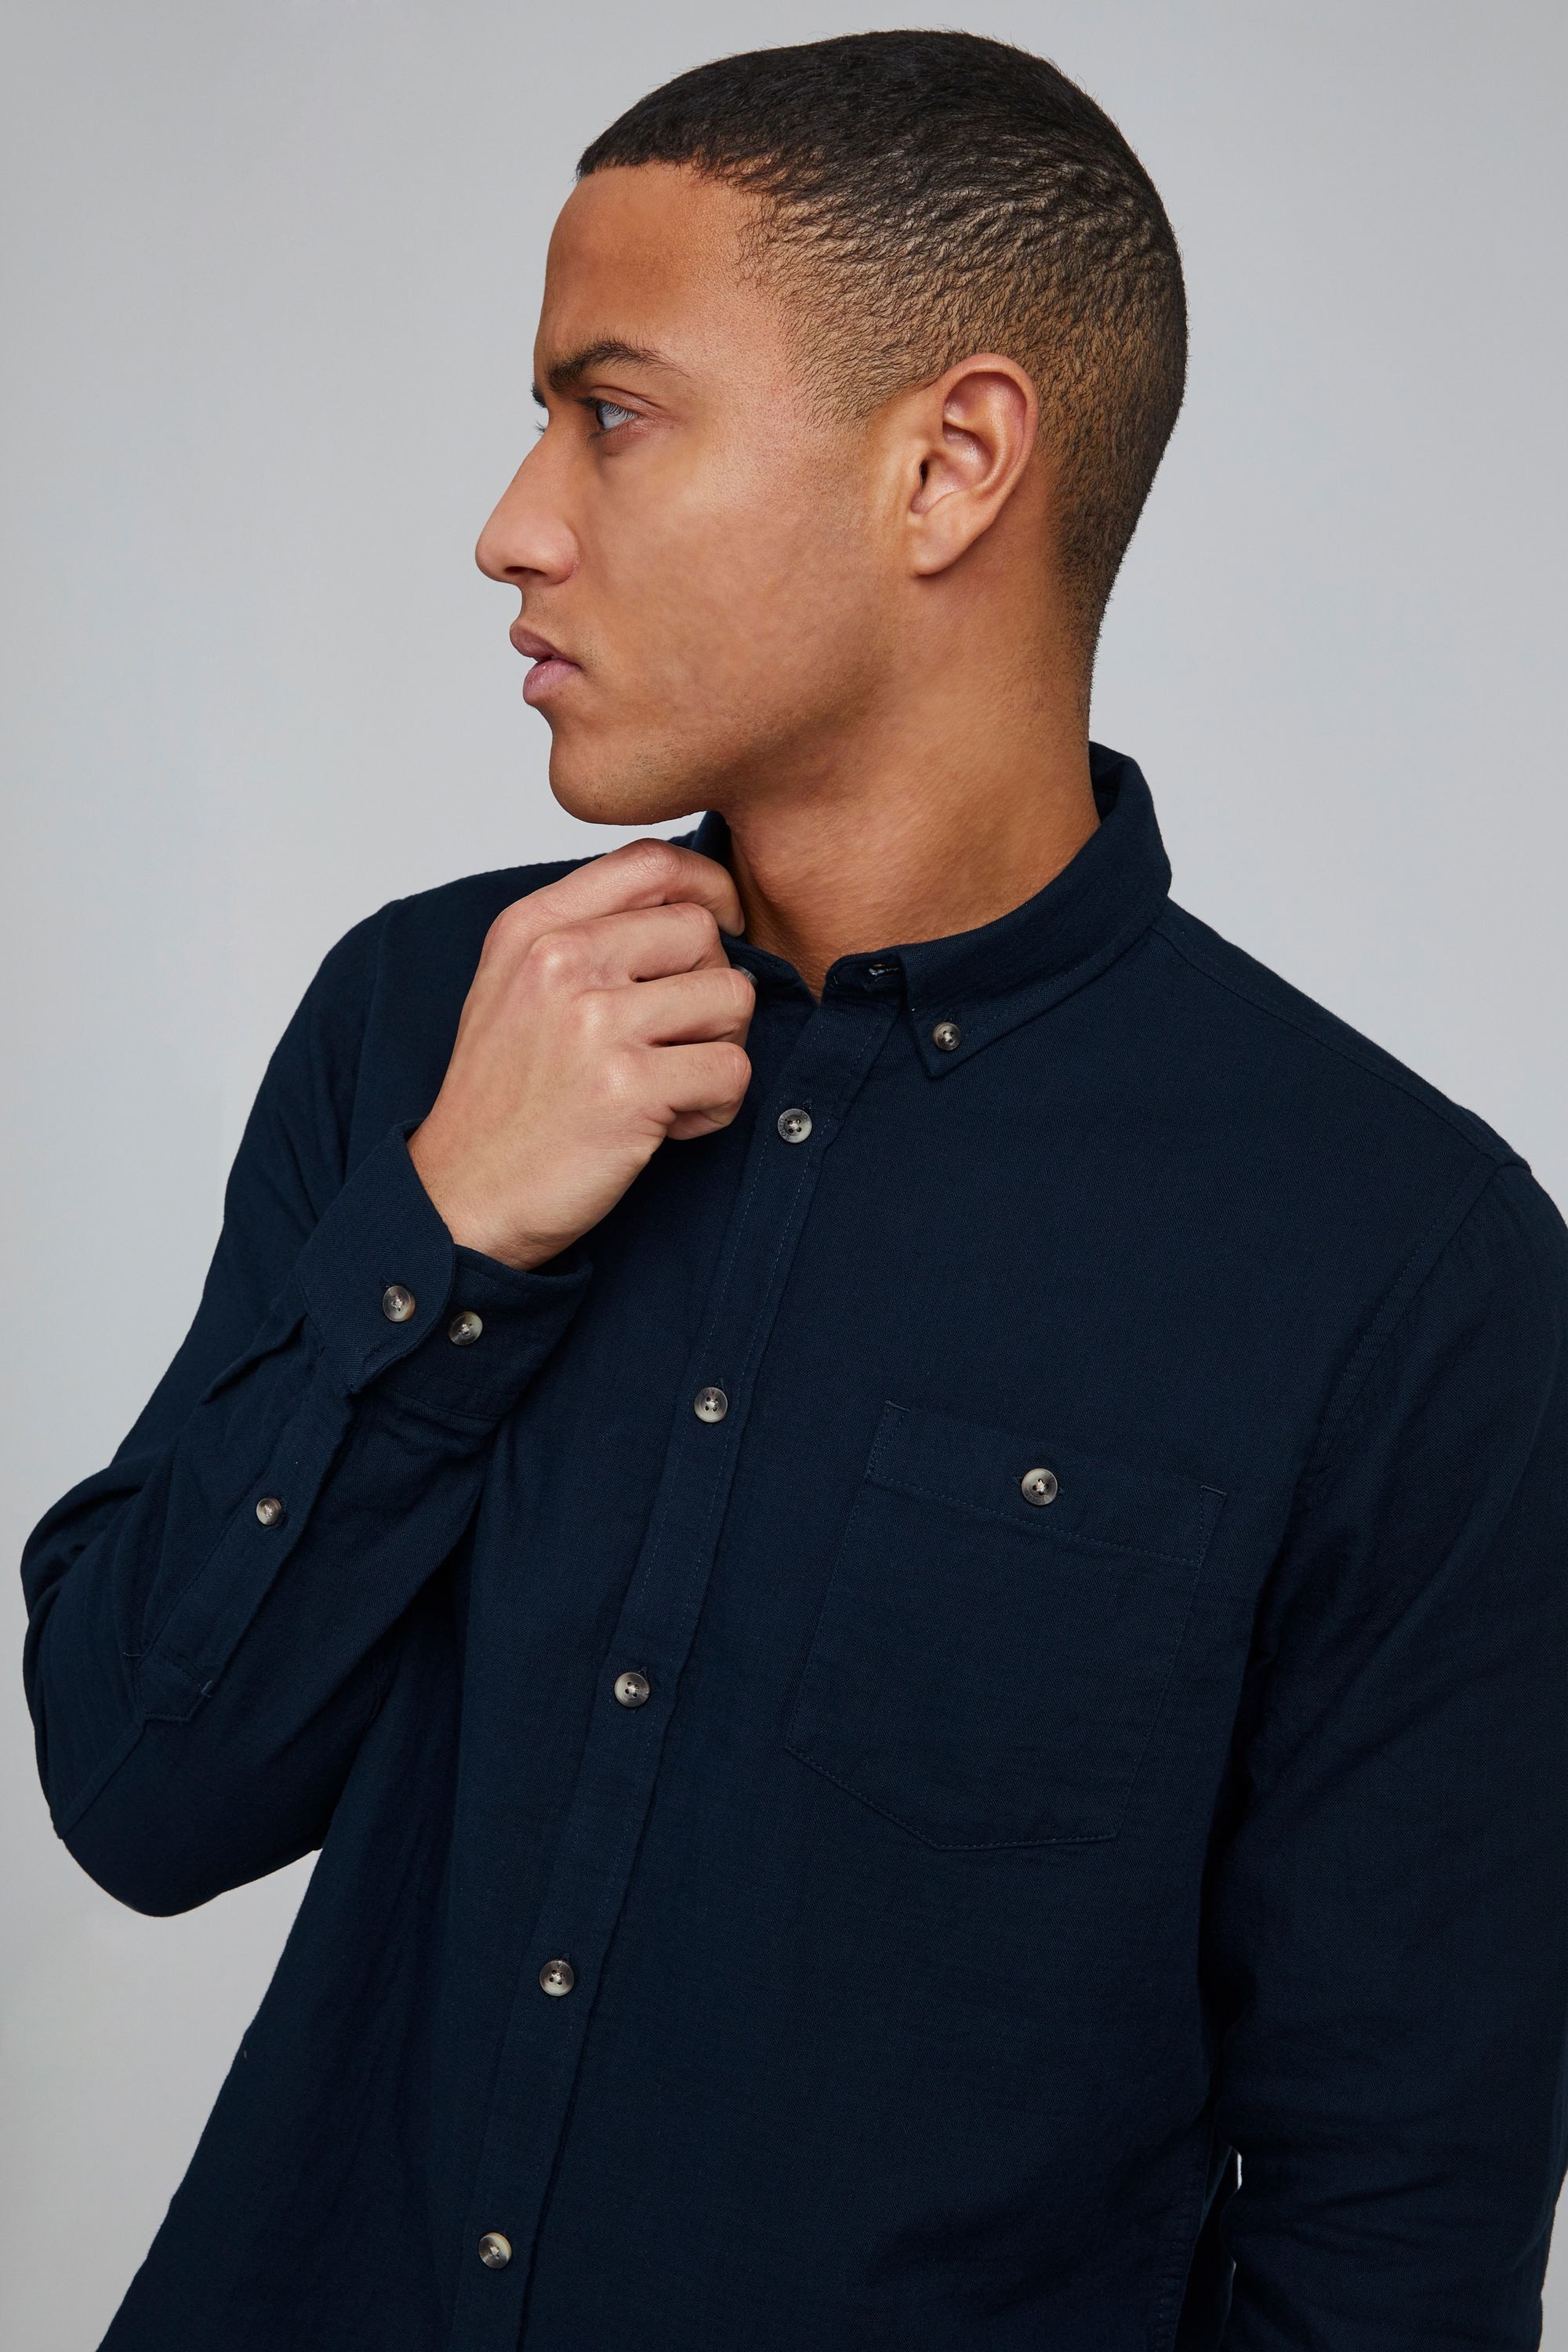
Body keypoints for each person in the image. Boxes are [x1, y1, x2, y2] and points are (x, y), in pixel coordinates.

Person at [20, 27, 1568, 2350]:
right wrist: (443, 1238)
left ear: (948, 465)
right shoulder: (425, 1024)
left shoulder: (1404, 1270)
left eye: (610, 413)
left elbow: (1393, 2232)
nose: (513, 522)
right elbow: (143, 1794)